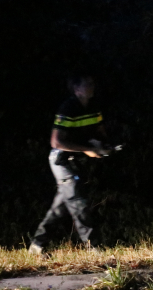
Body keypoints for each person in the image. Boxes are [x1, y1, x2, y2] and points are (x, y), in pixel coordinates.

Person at [29, 74, 110, 255]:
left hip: (74, 161)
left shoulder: (94, 107)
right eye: (87, 83)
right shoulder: (68, 108)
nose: (92, 85)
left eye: (92, 82)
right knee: (78, 200)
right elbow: (56, 142)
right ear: (77, 89)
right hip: (60, 161)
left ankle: (36, 246)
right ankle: (94, 248)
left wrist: (103, 146)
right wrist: (86, 149)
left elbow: (100, 132)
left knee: (60, 207)